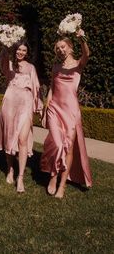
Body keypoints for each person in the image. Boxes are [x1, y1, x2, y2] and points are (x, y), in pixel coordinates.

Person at [40, 29, 92, 198]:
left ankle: (61, 184)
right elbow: (52, 88)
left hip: (70, 110)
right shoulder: (56, 66)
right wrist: (45, 109)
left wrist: (82, 38)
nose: (60, 50)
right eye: (58, 48)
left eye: (63, 47)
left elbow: (87, 54)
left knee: (68, 146)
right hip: (54, 108)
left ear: (70, 48)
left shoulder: (78, 64)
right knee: (56, 143)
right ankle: (53, 175)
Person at [0, 40, 42, 193]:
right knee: (10, 137)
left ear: (27, 52)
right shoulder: (9, 65)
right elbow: (2, 63)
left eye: (24, 50)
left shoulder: (31, 67)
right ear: (15, 50)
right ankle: (10, 169)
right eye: (19, 50)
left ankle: (20, 176)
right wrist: (5, 46)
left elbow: (36, 87)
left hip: (26, 104)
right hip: (10, 103)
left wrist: (39, 105)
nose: (21, 52)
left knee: (23, 139)